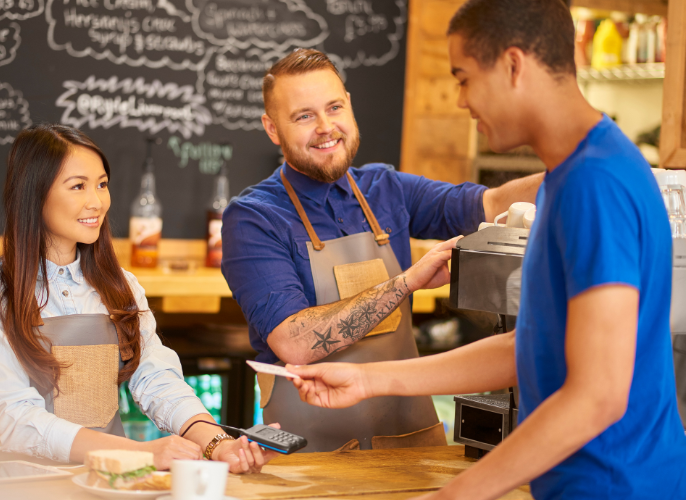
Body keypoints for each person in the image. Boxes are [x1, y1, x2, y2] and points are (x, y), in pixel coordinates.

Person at [288, 0, 686, 497]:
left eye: (464, 78)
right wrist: (371, 381)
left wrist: (457, 494)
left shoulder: (594, 184)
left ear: (513, 66)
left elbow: (597, 397)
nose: (460, 100)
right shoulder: (573, 176)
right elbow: (534, 347)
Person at [220, 48, 542, 452]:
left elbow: (491, 204)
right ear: (272, 128)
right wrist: (406, 283)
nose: (325, 127)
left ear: (349, 106)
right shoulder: (253, 217)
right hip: (313, 457)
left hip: (412, 444)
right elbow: (294, 342)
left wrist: (579, 170)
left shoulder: (386, 188)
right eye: (304, 116)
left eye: (334, 107)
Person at [0, 124, 277, 471]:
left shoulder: (122, 286)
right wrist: (140, 453)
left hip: (108, 481)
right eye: (78, 186)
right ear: (34, 193)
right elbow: (13, 417)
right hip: (18, 487)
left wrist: (216, 442)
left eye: (102, 184)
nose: (97, 201)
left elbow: (154, 378)